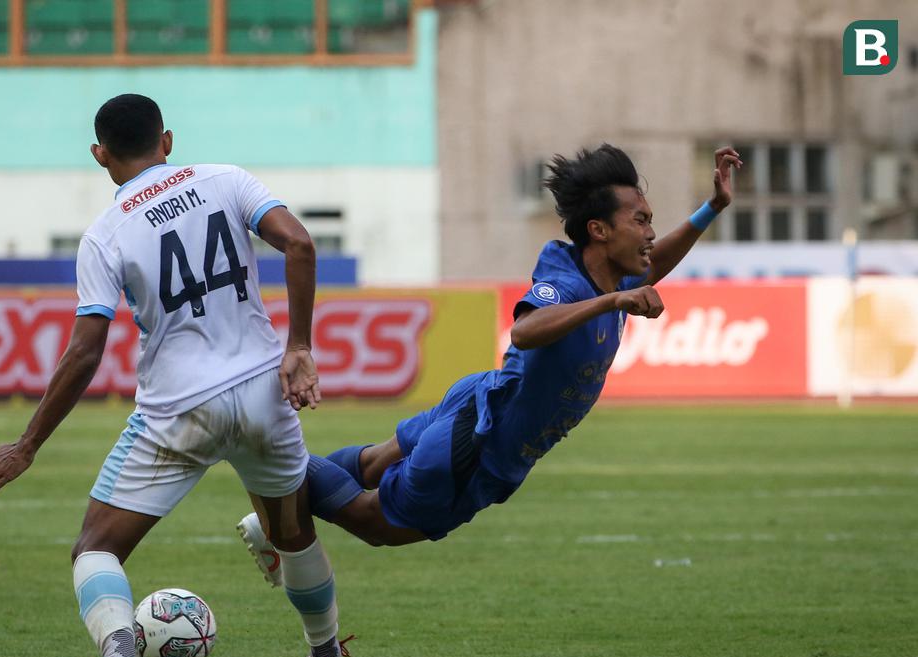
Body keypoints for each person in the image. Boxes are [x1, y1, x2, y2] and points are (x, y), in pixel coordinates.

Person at [0, 94, 349, 657]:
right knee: (292, 534)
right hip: (261, 391)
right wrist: (298, 346)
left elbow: (85, 351)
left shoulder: (104, 235)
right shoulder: (225, 180)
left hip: (180, 410)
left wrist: (27, 444)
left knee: (95, 548)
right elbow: (301, 245)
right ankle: (325, 654)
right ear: (166, 141)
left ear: (100, 155)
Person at [238, 144, 742, 575]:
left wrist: (711, 208)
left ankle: (277, 494)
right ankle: (273, 489)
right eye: (642, 220)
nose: (652, 233)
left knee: (372, 462)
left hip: (478, 402)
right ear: (600, 230)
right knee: (375, 525)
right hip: (480, 443)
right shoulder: (571, 281)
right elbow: (524, 330)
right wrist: (612, 303)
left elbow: (656, 265)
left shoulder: (615, 278)